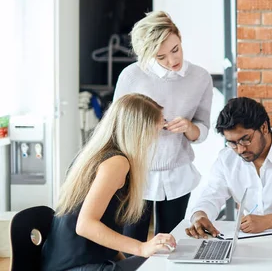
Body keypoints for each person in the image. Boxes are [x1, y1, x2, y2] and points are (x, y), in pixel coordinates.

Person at [41, 93, 177, 271]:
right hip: (76, 265)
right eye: (156, 130)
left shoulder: (97, 154)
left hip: (75, 260)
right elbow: (85, 225)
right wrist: (141, 248)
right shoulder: (116, 163)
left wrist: (124, 261)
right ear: (140, 131)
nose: (156, 138)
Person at [113, 11, 213, 241]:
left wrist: (188, 126)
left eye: (175, 49)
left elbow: (202, 129)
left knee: (170, 244)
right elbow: (116, 128)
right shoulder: (131, 76)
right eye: (161, 57)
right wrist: (144, 126)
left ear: (179, 38)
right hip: (136, 173)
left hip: (178, 174)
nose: (172, 61)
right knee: (132, 244)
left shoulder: (200, 78)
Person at [185, 97, 272, 238]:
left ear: (264, 127)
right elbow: (211, 195)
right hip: (248, 239)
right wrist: (199, 215)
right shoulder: (227, 158)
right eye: (232, 143)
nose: (240, 150)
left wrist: (271, 220)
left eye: (245, 139)